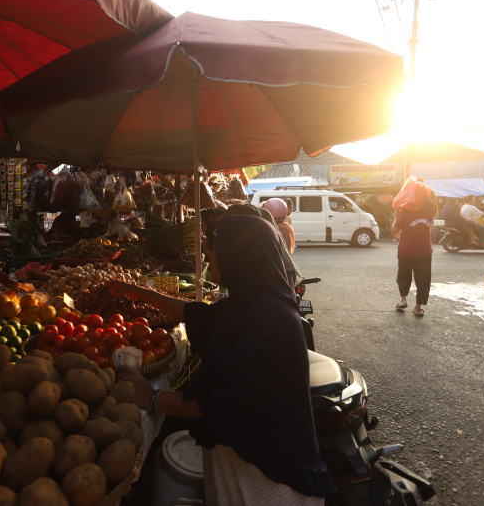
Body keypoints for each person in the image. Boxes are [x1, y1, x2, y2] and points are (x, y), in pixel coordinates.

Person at [108, 214, 335, 505]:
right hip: (248, 463)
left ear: (237, 256)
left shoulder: (267, 320)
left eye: (213, 251)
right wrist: (140, 293)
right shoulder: (255, 304)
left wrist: (151, 398)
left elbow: (217, 402)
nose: (208, 257)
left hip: (269, 478)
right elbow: (198, 316)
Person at [393, 191, 438, 317]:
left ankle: (403, 300)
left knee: (403, 275)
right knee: (423, 279)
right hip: (424, 251)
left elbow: (395, 229)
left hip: (405, 251)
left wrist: (397, 213)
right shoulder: (430, 211)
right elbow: (433, 199)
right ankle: (417, 308)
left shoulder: (404, 213)